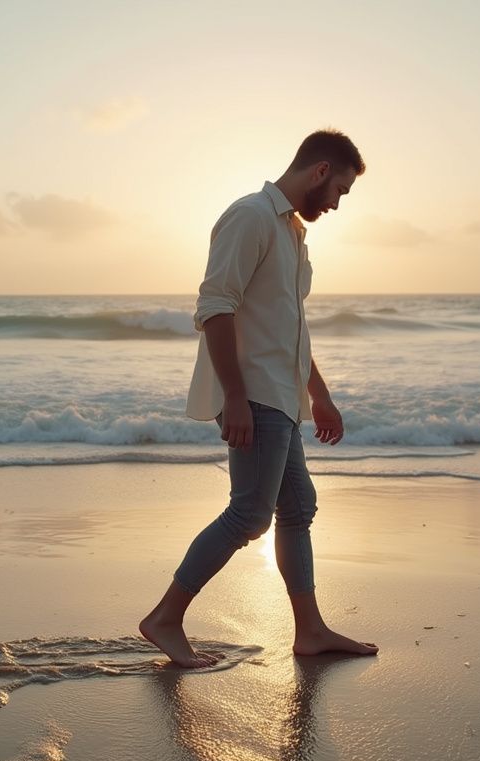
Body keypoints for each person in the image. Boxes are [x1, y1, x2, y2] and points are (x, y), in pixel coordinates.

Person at [140, 129, 378, 667]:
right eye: (339, 190)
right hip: (254, 395)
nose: (338, 204)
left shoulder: (292, 232)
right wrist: (236, 397)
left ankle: (310, 630)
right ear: (319, 171)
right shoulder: (249, 217)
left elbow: (290, 327)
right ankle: (164, 618)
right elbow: (214, 308)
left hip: (280, 397)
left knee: (297, 508)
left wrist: (320, 396)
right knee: (250, 514)